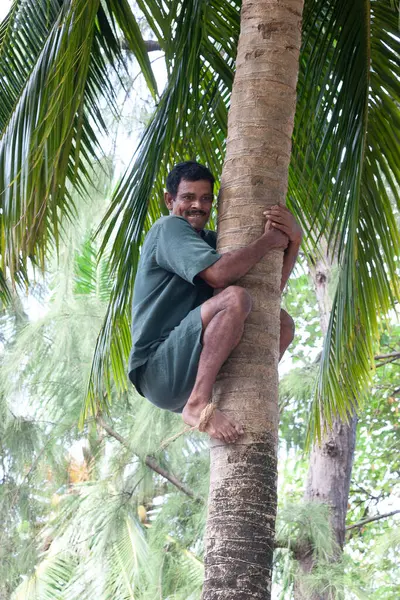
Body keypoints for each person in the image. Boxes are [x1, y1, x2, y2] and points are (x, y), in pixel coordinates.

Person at [128, 161, 302, 444]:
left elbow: (269, 293)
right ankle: (197, 405)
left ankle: (248, 397)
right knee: (235, 297)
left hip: (191, 361)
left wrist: (294, 239)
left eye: (206, 198)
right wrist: (269, 240)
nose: (198, 205)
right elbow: (219, 274)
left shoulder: (212, 242)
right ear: (170, 200)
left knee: (280, 322)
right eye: (188, 197)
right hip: (158, 369)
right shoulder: (168, 228)